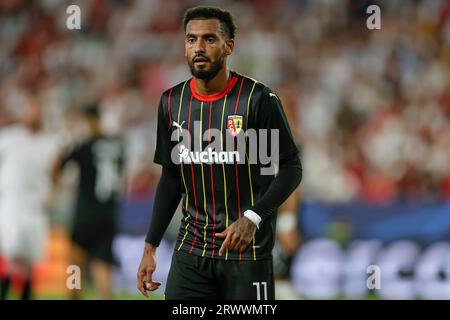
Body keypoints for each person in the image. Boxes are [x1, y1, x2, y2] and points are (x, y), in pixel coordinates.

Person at [137, 6, 302, 300]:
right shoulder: (172, 102)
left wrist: (252, 217)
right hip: (192, 251)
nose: (198, 48)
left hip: (247, 253)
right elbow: (171, 179)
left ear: (229, 47)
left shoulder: (258, 99)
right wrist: (150, 247)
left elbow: (290, 168)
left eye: (209, 39)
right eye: (191, 40)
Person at [52, 105, 125, 299]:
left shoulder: (84, 145)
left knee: (74, 262)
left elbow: (58, 167)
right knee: (102, 265)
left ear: (88, 120)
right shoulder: (117, 145)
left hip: (86, 213)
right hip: (109, 213)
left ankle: (73, 296)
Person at [0, 96, 61, 299]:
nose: (34, 114)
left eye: (38, 110)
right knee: (14, 250)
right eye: (31, 109)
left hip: (36, 207)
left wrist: (53, 193)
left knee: (30, 258)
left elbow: (55, 174)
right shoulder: (8, 137)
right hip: (11, 205)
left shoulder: (50, 143)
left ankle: (22, 294)